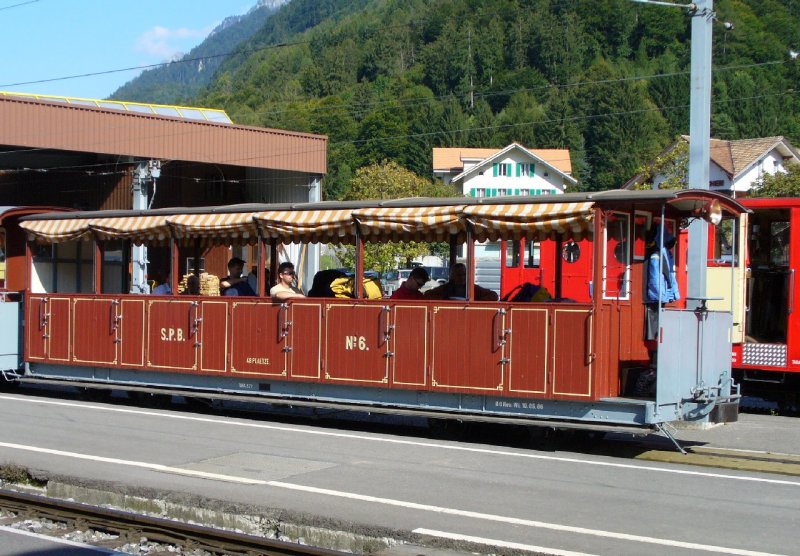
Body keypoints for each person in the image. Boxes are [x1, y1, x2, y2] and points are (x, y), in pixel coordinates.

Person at [644, 225, 681, 341]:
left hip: (659, 292)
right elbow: (662, 274)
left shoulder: (661, 252)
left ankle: (655, 338)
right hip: (659, 292)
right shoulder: (661, 253)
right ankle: (655, 338)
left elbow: (665, 273)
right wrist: (670, 292)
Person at [424, 263, 499, 301]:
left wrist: (475, 302)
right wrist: (444, 300)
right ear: (452, 276)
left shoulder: (473, 288)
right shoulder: (445, 288)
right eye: (459, 275)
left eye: (464, 274)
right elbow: (427, 295)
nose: (462, 277)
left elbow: (494, 296)